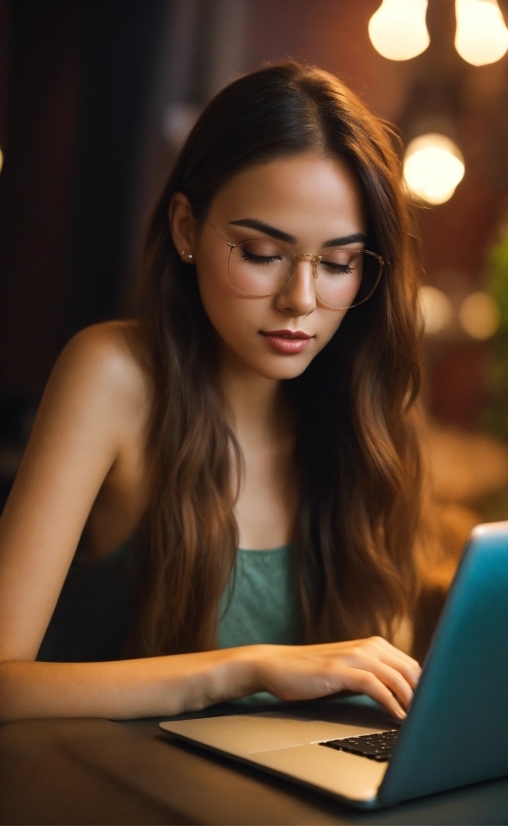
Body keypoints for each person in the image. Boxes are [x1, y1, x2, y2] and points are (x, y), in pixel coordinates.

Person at [0, 62, 424, 723]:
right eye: (261, 253)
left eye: (339, 264)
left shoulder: (365, 415)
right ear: (185, 230)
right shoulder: (114, 377)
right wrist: (244, 669)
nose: (301, 301)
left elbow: (382, 677)